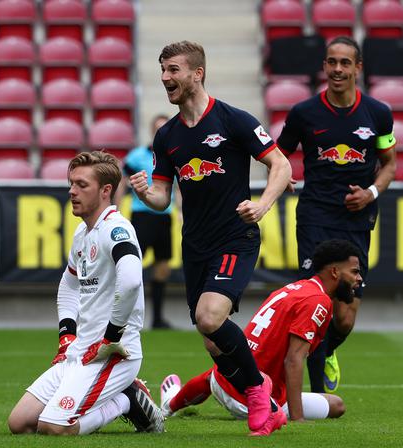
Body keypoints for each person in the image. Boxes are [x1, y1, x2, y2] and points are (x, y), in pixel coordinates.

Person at [130, 41, 292, 436]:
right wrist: (143, 191)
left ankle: (256, 391)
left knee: (208, 317)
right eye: (162, 70)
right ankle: (269, 404)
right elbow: (161, 198)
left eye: (173, 70)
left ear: (196, 74)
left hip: (236, 238)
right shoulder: (167, 136)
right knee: (212, 341)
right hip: (196, 245)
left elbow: (281, 164)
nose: (165, 77)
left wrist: (263, 204)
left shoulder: (232, 120)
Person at [8, 152, 165, 436]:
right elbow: (68, 285)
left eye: (82, 185)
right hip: (82, 349)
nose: (72, 191)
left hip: (116, 353)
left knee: (55, 427)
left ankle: (126, 400)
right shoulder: (83, 233)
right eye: (71, 183)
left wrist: (112, 336)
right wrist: (66, 334)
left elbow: (131, 281)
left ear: (106, 191)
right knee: (19, 423)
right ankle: (124, 396)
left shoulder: (117, 229)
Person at [276, 36, 397, 394]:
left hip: (356, 221)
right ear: (324, 67)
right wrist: (282, 178)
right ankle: (316, 396)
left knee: (344, 316)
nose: (338, 69)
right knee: (316, 301)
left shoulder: (378, 113)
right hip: (314, 216)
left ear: (358, 68)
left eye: (345, 63)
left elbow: (389, 165)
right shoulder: (303, 113)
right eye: (332, 62)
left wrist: (371, 192)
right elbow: (278, 155)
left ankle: (326, 351)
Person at [159, 239, 360, 426]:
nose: (359, 279)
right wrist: (298, 419)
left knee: (225, 370)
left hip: (225, 379)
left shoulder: (296, 288)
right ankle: (174, 402)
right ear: (334, 272)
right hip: (257, 400)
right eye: (354, 272)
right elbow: (293, 361)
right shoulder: (319, 300)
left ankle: (171, 404)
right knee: (337, 405)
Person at [121, 113, 175, 329]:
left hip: (164, 216)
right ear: (153, 131)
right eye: (158, 128)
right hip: (141, 215)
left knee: (162, 267)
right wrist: (115, 210)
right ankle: (123, 318)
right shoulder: (136, 156)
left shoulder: (173, 156)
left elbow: (178, 187)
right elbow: (123, 183)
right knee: (131, 266)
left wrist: (180, 209)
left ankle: (157, 319)